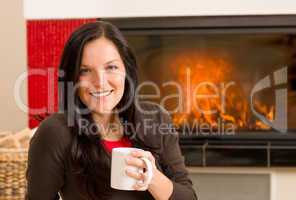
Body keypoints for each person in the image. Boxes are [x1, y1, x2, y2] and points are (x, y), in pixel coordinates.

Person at [25, 21, 197, 200]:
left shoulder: (155, 118)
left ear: (126, 70)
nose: (100, 81)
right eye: (85, 70)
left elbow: (188, 197)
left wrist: (152, 178)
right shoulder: (55, 133)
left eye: (111, 67)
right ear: (72, 78)